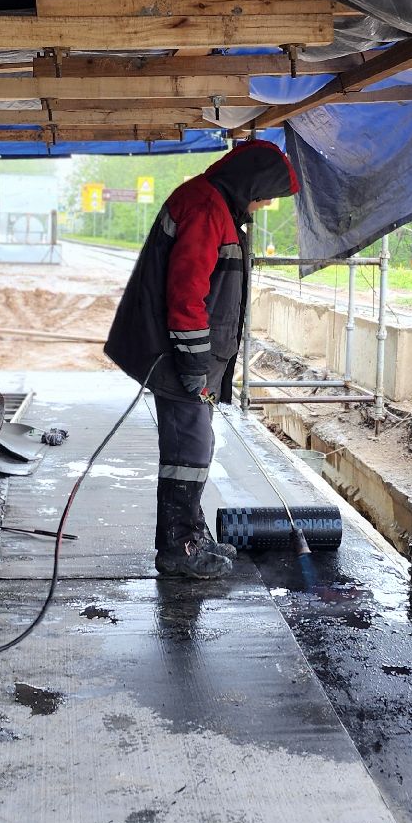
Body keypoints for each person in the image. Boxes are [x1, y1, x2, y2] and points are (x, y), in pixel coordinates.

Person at [103, 140, 298, 579]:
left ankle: (190, 533)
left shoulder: (214, 205)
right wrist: (193, 365)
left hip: (189, 355)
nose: (266, 203)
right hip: (177, 356)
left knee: (194, 446)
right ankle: (179, 548)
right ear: (251, 180)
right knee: (187, 450)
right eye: (267, 193)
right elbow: (187, 295)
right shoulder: (207, 210)